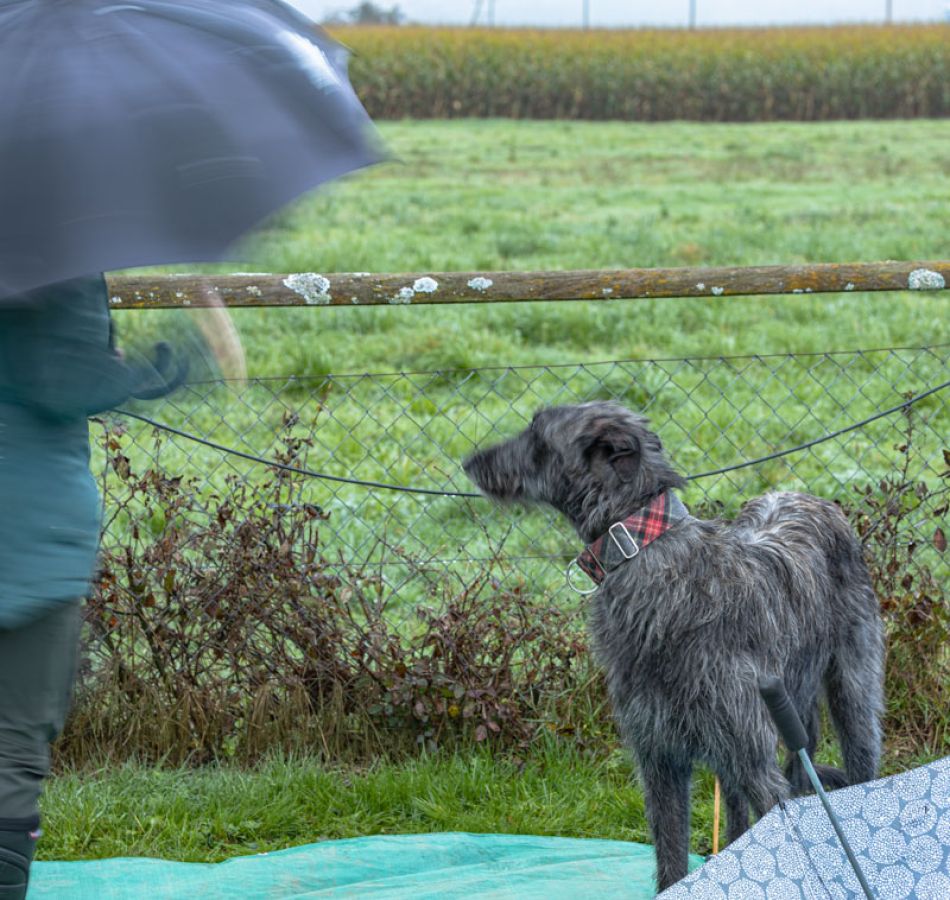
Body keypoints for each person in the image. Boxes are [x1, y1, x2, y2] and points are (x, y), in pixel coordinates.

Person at [0, 274, 193, 899]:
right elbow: (60, 380)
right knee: (12, 743)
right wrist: (139, 370)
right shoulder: (56, 261)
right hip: (28, 526)